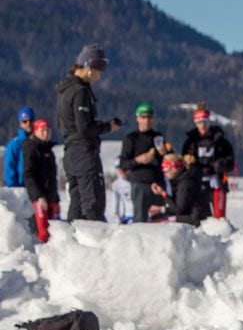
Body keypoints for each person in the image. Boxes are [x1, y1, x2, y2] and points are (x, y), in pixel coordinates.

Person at [56, 44, 121, 221]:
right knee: (92, 202)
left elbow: (65, 123)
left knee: (77, 202)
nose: (99, 77)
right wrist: (107, 127)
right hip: (84, 152)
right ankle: (93, 243)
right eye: (98, 71)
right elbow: (84, 129)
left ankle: (71, 242)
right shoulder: (80, 91)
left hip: (70, 152)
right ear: (88, 66)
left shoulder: (65, 90)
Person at [181, 105, 235, 220]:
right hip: (196, 184)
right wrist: (188, 163)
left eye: (205, 121)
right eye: (199, 122)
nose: (203, 125)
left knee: (219, 218)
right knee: (196, 216)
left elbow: (231, 163)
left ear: (209, 121)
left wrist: (221, 164)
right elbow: (183, 163)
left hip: (217, 183)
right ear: (195, 123)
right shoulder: (190, 142)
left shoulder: (221, 141)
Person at [119, 103, 168, 222]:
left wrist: (164, 153)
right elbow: (123, 164)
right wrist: (138, 160)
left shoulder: (158, 136)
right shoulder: (131, 138)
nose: (146, 120)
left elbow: (167, 160)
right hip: (140, 183)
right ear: (138, 118)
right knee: (140, 219)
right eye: (143, 117)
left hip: (158, 182)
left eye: (149, 117)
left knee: (160, 219)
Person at [22, 119, 60, 242]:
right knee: (42, 232)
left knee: (52, 232)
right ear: (36, 131)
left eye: (48, 131)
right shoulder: (32, 148)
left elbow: (53, 178)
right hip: (39, 198)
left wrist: (56, 199)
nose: (45, 133)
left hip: (51, 197)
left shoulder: (49, 151)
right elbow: (28, 175)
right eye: (42, 131)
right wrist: (38, 196)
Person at [148, 153, 210, 227]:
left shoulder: (185, 183)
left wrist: (163, 194)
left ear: (175, 168)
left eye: (166, 168)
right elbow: (179, 206)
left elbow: (179, 209)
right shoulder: (184, 179)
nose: (165, 173)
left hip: (196, 223)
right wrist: (161, 209)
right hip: (196, 219)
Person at [3, 107, 34, 187]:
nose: (28, 123)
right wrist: (14, 188)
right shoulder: (14, 144)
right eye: (25, 121)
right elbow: (9, 167)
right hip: (21, 189)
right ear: (20, 123)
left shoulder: (37, 143)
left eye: (31, 120)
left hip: (37, 190)